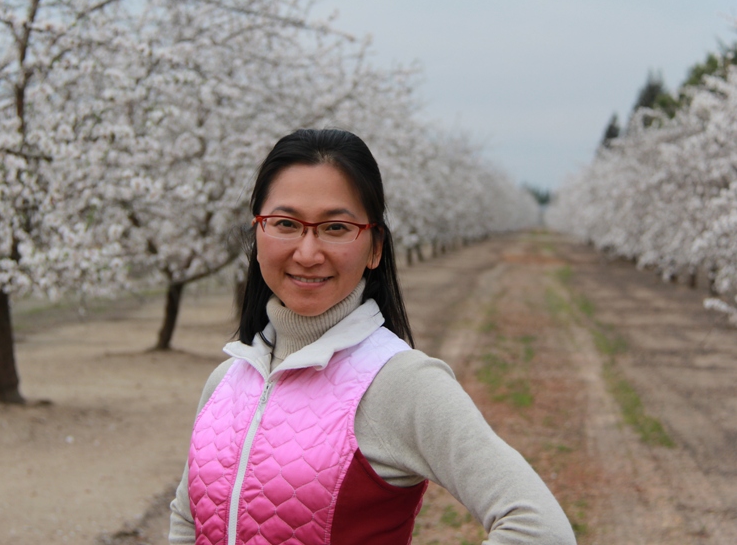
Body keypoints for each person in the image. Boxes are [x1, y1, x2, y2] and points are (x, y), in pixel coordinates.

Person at [168, 129, 576, 544]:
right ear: (257, 235)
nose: (308, 253)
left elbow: (541, 528)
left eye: (336, 228)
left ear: (375, 246)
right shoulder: (226, 381)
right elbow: (187, 521)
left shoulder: (402, 384)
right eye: (285, 224)